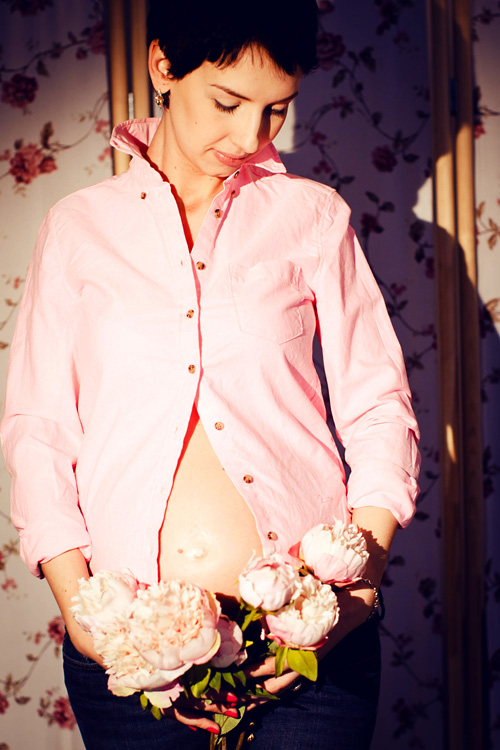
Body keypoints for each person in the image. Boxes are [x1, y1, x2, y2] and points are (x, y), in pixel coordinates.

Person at [0, 0, 420, 748]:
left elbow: (379, 407)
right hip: (130, 647)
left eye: (276, 110)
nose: (251, 137)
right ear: (164, 66)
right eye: (228, 103)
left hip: (305, 644)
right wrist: (81, 610)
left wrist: (355, 589)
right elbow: (39, 431)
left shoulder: (312, 217)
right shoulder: (78, 229)